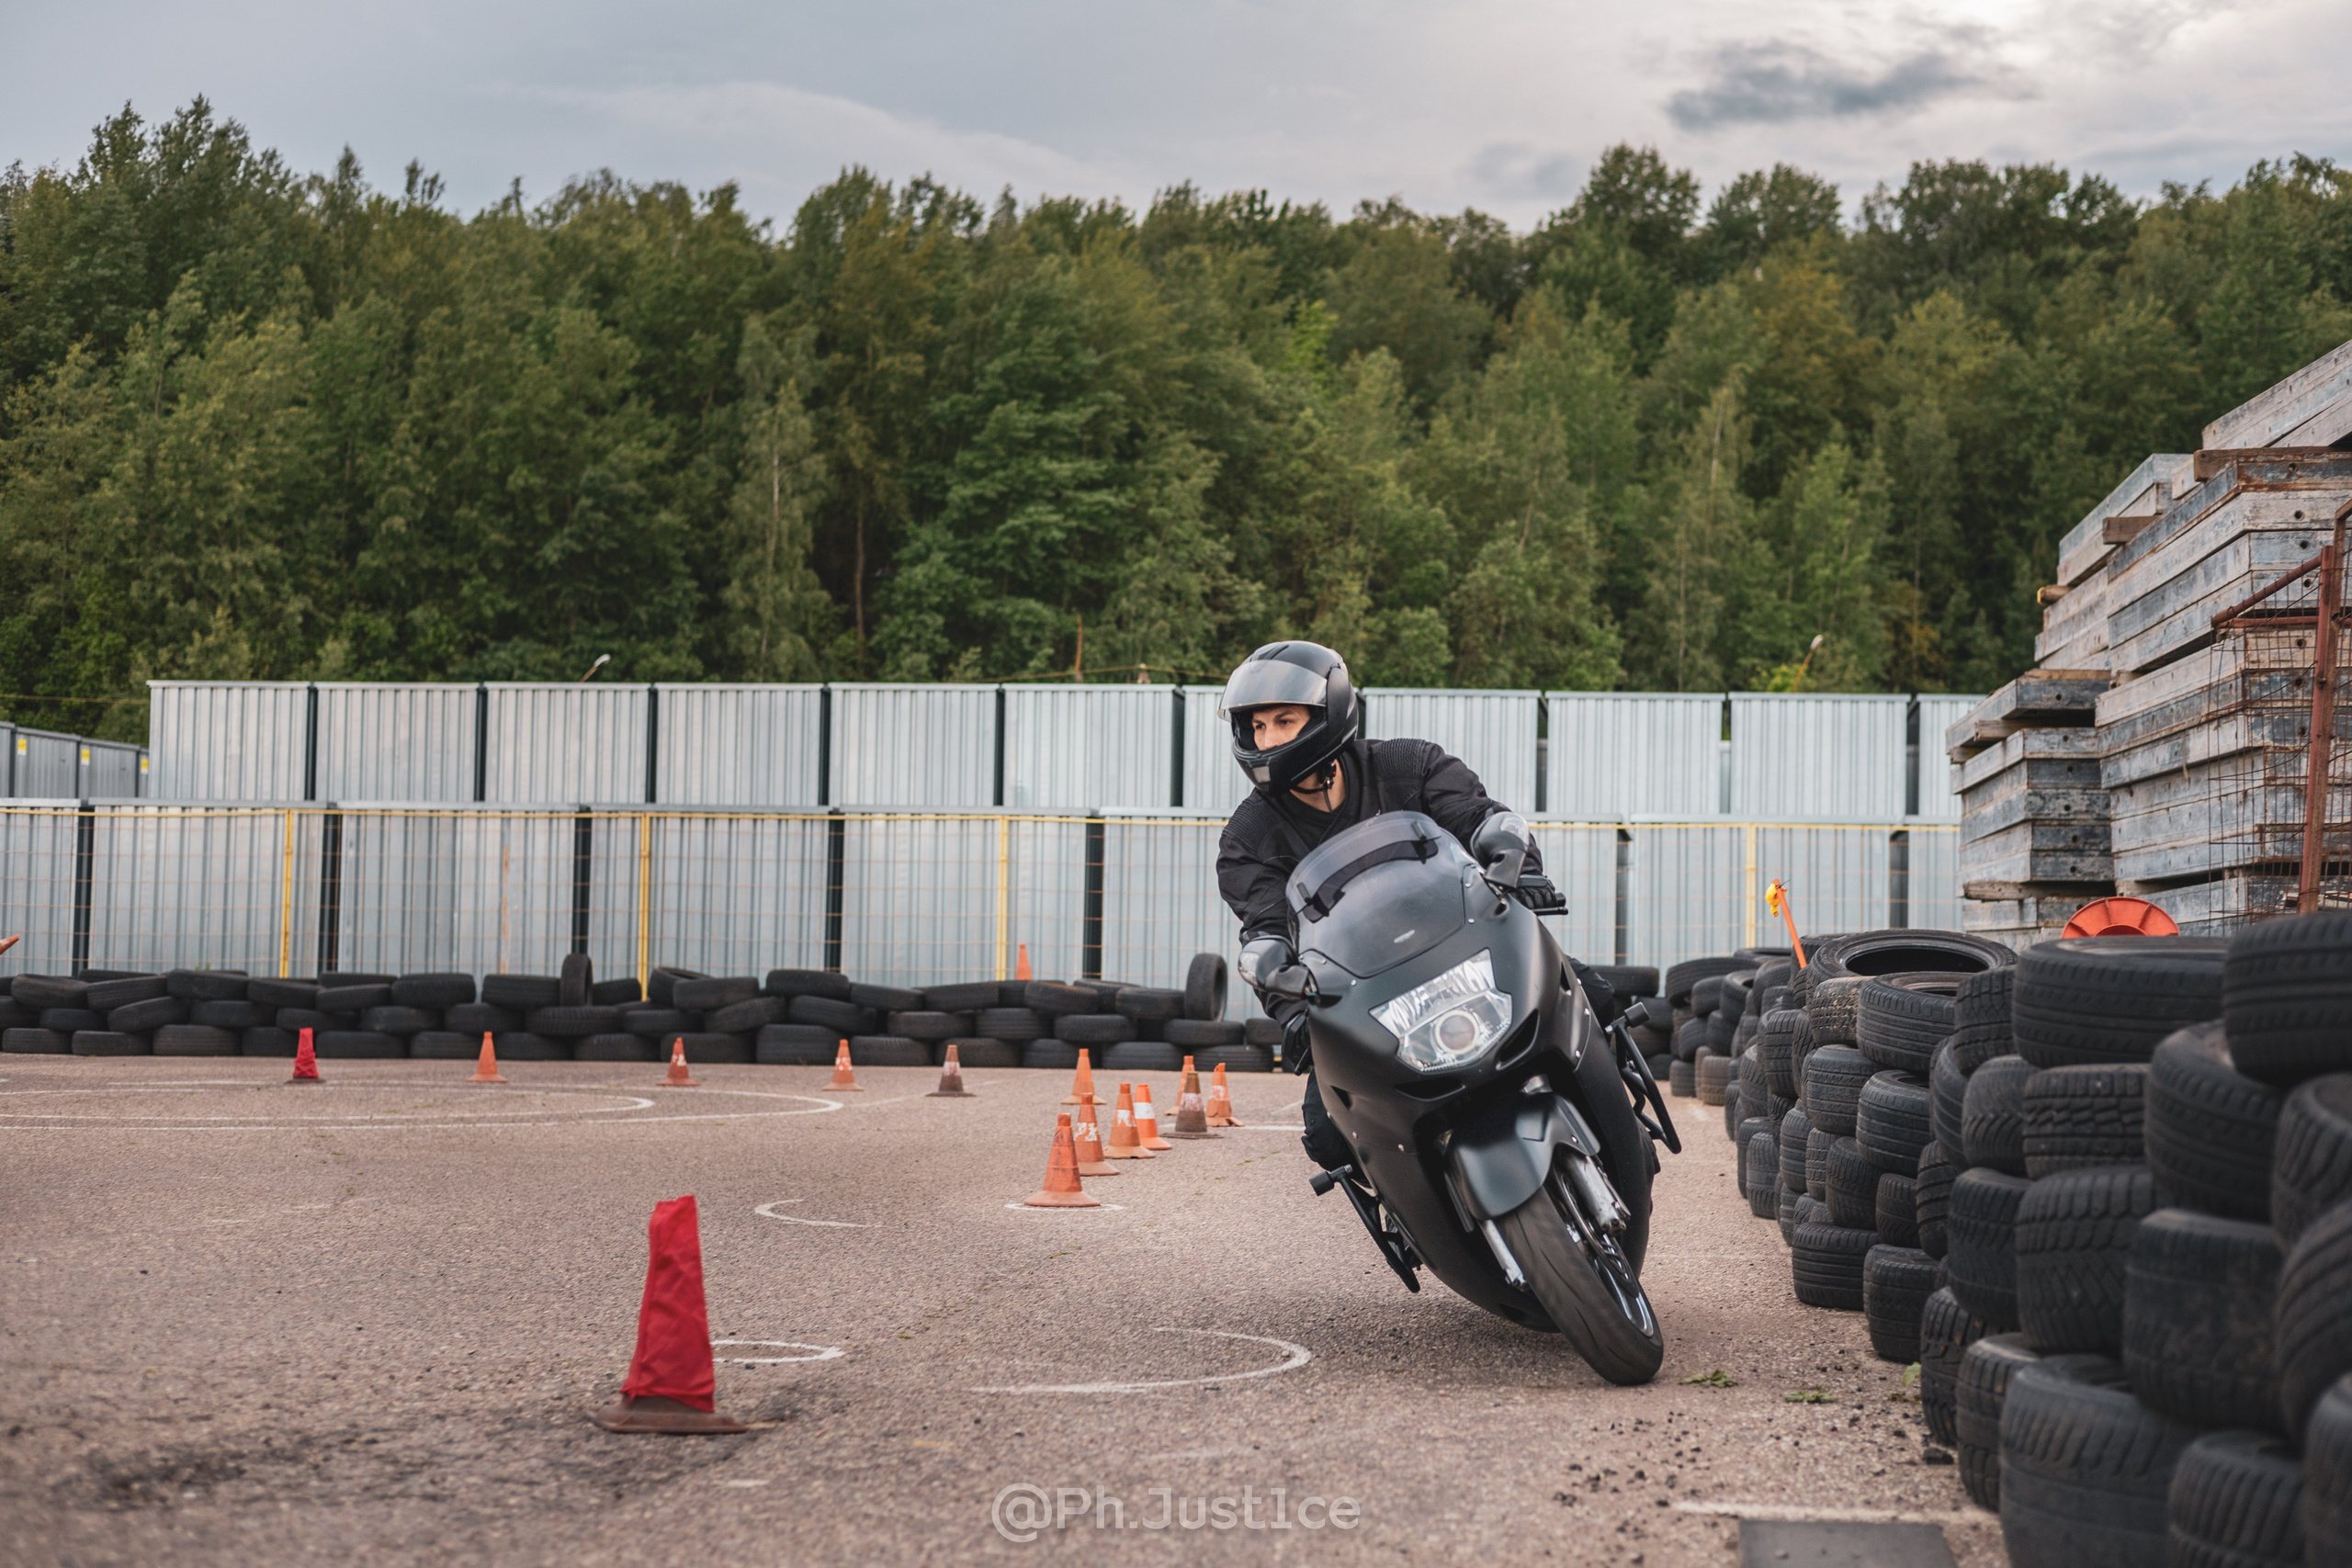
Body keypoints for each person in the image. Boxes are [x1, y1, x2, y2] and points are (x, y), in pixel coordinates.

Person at [1212, 640, 1614, 1172]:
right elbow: (1266, 931)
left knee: (1597, 1001)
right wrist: (1293, 1011)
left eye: (1284, 721)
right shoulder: (1247, 837)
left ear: (1328, 712)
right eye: (1257, 727)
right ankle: (1411, 1221)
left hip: (1468, 953)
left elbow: (1477, 817)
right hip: (1359, 1000)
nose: (1268, 739)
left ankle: (1621, 1132)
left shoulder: (1409, 765)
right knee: (1330, 1136)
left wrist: (1522, 867)